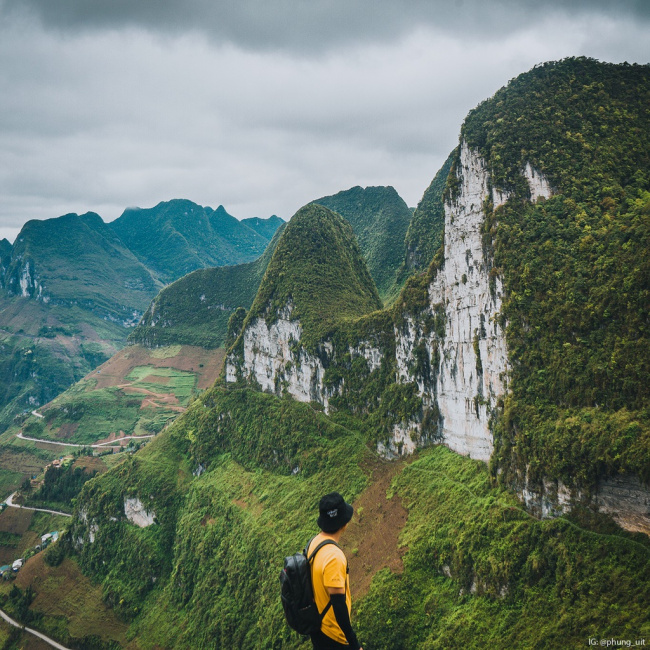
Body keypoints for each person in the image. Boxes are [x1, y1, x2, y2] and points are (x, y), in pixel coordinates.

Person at [307, 492, 363, 650]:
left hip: (318, 629)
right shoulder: (334, 557)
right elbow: (338, 606)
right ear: (343, 523)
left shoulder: (314, 542)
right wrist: (354, 643)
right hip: (333, 636)